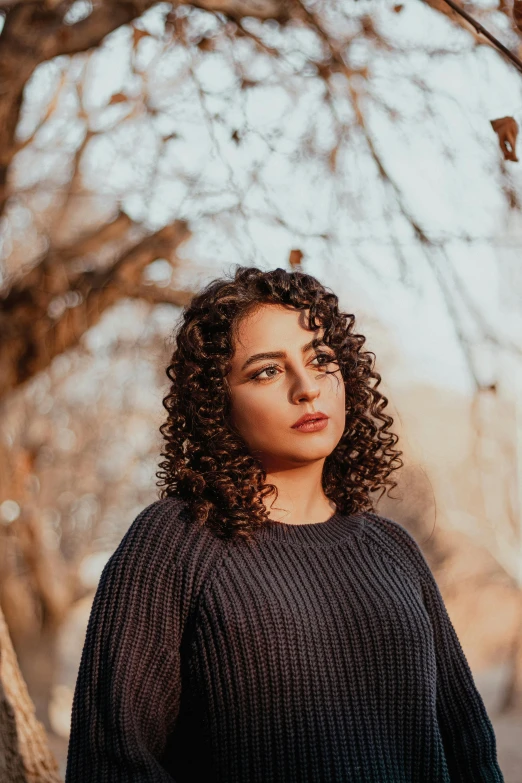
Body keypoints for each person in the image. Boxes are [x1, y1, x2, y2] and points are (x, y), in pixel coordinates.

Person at [65, 265, 504, 782]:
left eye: (320, 360)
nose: (306, 388)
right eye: (266, 371)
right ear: (216, 403)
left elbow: (469, 748)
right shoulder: (174, 542)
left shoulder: (393, 550)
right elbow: (114, 760)